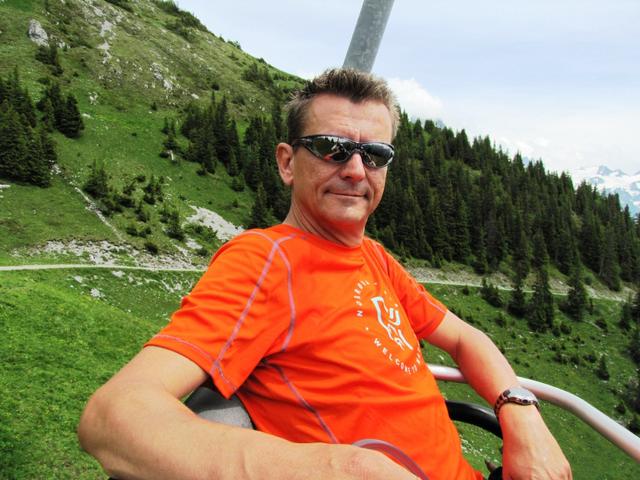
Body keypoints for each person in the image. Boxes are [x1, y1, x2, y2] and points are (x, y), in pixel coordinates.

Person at [78, 68, 572, 480]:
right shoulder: (263, 260)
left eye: (375, 154)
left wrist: (522, 416)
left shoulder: (374, 258)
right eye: (332, 148)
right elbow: (114, 416)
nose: (356, 169)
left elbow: (464, 337)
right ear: (287, 163)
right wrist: (344, 468)